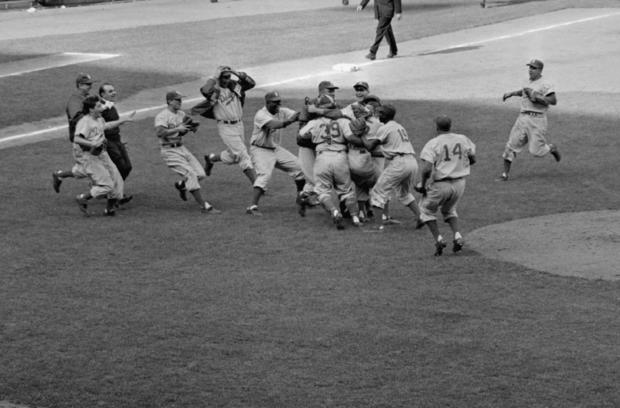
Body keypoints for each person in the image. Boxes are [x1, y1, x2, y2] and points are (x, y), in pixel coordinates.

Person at [416, 116, 476, 256]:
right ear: (450, 126)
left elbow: (426, 169)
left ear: (436, 127)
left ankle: (439, 239)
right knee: (449, 210)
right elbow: (473, 158)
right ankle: (457, 236)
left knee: (425, 211)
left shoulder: (433, 143)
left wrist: (422, 185)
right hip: (460, 183)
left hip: (441, 185)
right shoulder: (463, 138)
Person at [155, 91, 220, 214]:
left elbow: (183, 130)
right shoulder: (162, 116)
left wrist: (192, 127)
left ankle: (181, 185)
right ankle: (204, 207)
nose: (180, 102)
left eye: (180, 99)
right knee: (191, 175)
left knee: (201, 174)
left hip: (181, 148)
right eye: (177, 100)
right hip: (169, 150)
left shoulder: (181, 114)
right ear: (169, 101)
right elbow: (159, 132)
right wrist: (177, 129)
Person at [246, 91, 309, 216]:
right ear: (268, 103)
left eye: (279, 102)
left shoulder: (282, 111)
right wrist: (291, 120)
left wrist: (306, 109)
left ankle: (300, 198)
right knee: (264, 175)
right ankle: (252, 207)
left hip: (275, 148)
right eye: (275, 103)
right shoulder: (261, 115)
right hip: (260, 149)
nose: (278, 105)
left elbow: (299, 115)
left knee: (300, 168)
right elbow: (277, 124)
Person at [499, 59, 561, 181]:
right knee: (510, 147)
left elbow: (553, 101)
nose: (530, 70)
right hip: (522, 118)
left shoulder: (545, 84)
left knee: (536, 151)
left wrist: (539, 98)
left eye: (533, 68)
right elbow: (523, 91)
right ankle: (504, 175)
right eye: (530, 67)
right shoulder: (527, 81)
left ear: (540, 70)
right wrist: (510, 93)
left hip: (537, 120)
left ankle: (551, 148)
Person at [73, 96, 135, 216]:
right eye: (98, 106)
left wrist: (122, 121)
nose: (101, 108)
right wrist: (92, 143)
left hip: (103, 154)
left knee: (117, 181)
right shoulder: (85, 122)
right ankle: (83, 197)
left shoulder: (99, 119)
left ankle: (109, 209)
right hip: (91, 157)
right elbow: (76, 138)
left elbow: (106, 126)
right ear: (91, 109)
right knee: (107, 185)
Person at [361, 103, 421, 228]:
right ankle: (421, 217)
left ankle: (378, 226)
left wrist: (361, 135)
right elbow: (386, 151)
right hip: (411, 162)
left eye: (381, 113)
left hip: (400, 163)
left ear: (387, 115)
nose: (378, 115)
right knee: (403, 193)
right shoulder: (398, 126)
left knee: (378, 192)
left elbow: (370, 146)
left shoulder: (385, 127)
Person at [299, 115, 361, 230]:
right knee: (346, 190)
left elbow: (301, 135)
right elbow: (350, 136)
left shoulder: (314, 122)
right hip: (340, 157)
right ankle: (355, 218)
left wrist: (314, 135)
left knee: (322, 190)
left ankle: (335, 212)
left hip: (322, 157)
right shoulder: (343, 121)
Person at [198, 65, 257, 185]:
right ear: (219, 78)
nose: (226, 79)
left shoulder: (234, 86)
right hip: (226, 127)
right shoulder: (215, 91)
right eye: (223, 77)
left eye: (228, 77)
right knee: (243, 155)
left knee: (234, 157)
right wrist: (214, 77)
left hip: (239, 125)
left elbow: (251, 83)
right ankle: (258, 185)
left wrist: (237, 73)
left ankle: (211, 159)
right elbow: (204, 90)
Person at [296, 80, 342, 208]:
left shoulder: (334, 105)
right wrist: (316, 135)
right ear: (321, 91)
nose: (333, 93)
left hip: (322, 147)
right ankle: (324, 205)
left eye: (334, 90)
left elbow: (339, 115)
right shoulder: (310, 105)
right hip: (308, 147)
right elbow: (300, 136)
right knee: (316, 178)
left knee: (319, 177)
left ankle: (304, 197)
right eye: (330, 90)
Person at [52, 72, 96, 193]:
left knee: (95, 165)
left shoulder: (86, 98)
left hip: (90, 139)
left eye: (90, 84)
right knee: (87, 169)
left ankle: (100, 190)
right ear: (80, 85)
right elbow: (77, 117)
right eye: (87, 84)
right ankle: (60, 175)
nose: (90, 86)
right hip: (81, 141)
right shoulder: (75, 100)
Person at [99, 82, 134, 205]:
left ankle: (113, 191)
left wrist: (122, 139)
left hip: (117, 140)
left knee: (127, 167)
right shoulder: (100, 108)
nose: (114, 93)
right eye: (110, 91)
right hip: (108, 141)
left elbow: (115, 124)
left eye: (113, 90)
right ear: (102, 94)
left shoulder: (111, 106)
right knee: (121, 167)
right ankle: (116, 195)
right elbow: (100, 126)